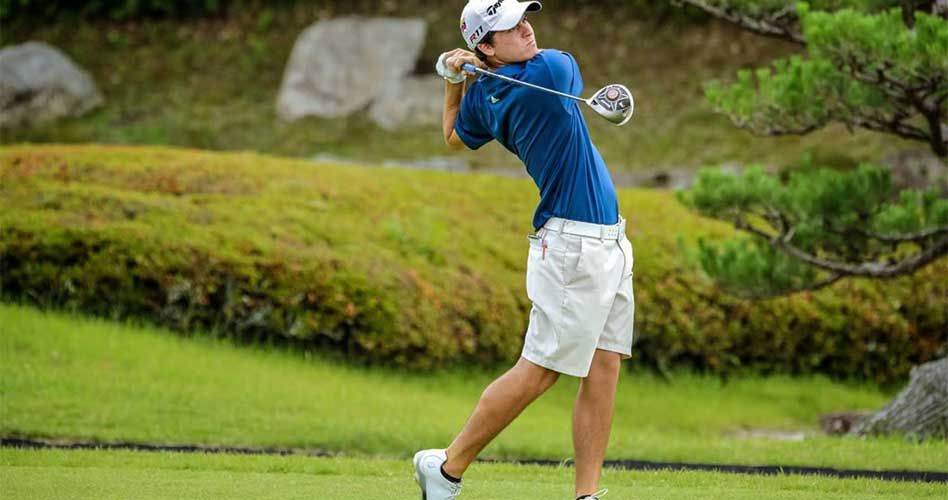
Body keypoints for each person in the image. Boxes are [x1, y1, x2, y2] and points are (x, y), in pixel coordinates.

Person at [413, 1, 634, 499]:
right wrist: (466, 73)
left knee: (604, 364)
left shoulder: (485, 94)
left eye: (524, 18)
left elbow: (452, 137)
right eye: (509, 28)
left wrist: (453, 78)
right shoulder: (552, 70)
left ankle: (587, 495)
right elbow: (539, 79)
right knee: (539, 370)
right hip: (574, 246)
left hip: (609, 240)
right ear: (486, 46)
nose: (526, 28)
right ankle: (447, 469)